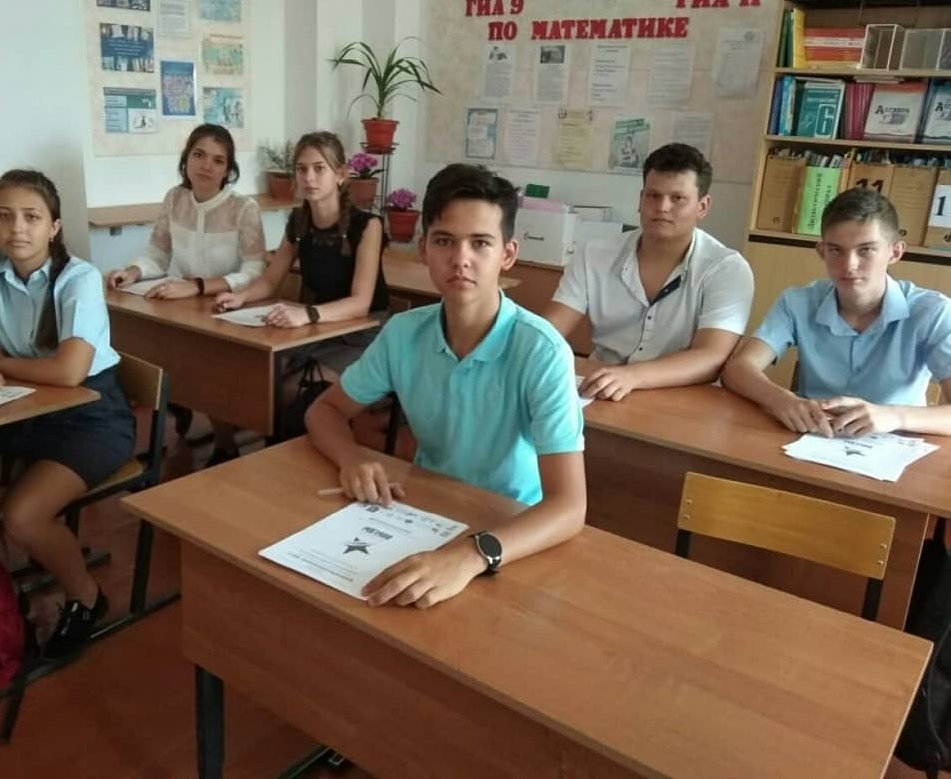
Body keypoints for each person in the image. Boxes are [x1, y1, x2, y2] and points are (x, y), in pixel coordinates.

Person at [305, 163, 586, 609]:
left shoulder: (542, 351)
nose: (461, 259)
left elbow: (569, 506)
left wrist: (471, 555)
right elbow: (325, 410)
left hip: (512, 532)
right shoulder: (404, 333)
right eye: (444, 241)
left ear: (508, 254)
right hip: (425, 513)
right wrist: (352, 458)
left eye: (480, 243)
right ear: (423, 249)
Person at [0, 170, 136, 660]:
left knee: (22, 516)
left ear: (54, 226)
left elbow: (69, 371)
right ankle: (3, 606)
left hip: (92, 417)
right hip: (23, 411)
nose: (17, 228)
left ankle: (87, 598)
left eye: (31, 217)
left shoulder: (78, 278)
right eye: (5, 216)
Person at [723, 187, 951, 437]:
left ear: (895, 252)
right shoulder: (798, 302)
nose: (849, 265)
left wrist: (893, 415)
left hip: (895, 441)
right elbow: (738, 369)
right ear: (821, 251)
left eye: (866, 250)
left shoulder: (933, 312)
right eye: (836, 250)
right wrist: (782, 400)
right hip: (813, 436)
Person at [543, 142, 754, 401]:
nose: (662, 207)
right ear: (640, 200)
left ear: (703, 206)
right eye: (653, 196)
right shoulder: (593, 254)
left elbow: (711, 357)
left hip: (683, 395)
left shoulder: (727, 269)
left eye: (677, 198)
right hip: (602, 387)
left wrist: (632, 376)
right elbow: (549, 332)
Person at [213, 130, 387, 379]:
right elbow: (270, 280)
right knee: (256, 374)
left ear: (340, 175)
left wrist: (308, 314)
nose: (309, 177)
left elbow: (360, 304)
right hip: (319, 329)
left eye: (319, 169)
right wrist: (241, 297)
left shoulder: (368, 225)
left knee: (296, 386)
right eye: (301, 169)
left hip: (362, 335)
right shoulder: (299, 221)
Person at [105, 123, 265, 300]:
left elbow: (255, 272)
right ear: (186, 159)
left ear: (227, 171)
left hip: (226, 301)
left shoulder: (244, 208)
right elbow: (157, 255)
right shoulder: (174, 198)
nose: (206, 166)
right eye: (198, 155)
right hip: (182, 298)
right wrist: (132, 272)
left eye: (218, 161)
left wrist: (198, 287)